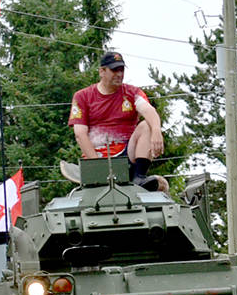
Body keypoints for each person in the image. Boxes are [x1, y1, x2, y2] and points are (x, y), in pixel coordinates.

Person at [68, 51, 168, 192]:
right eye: (114, 70)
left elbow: (149, 111)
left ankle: (139, 177)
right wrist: (99, 166)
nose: (119, 74)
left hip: (126, 155)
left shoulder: (131, 93)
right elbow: (80, 134)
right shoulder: (83, 96)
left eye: (121, 69)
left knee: (147, 125)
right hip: (97, 157)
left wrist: (157, 131)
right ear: (102, 71)